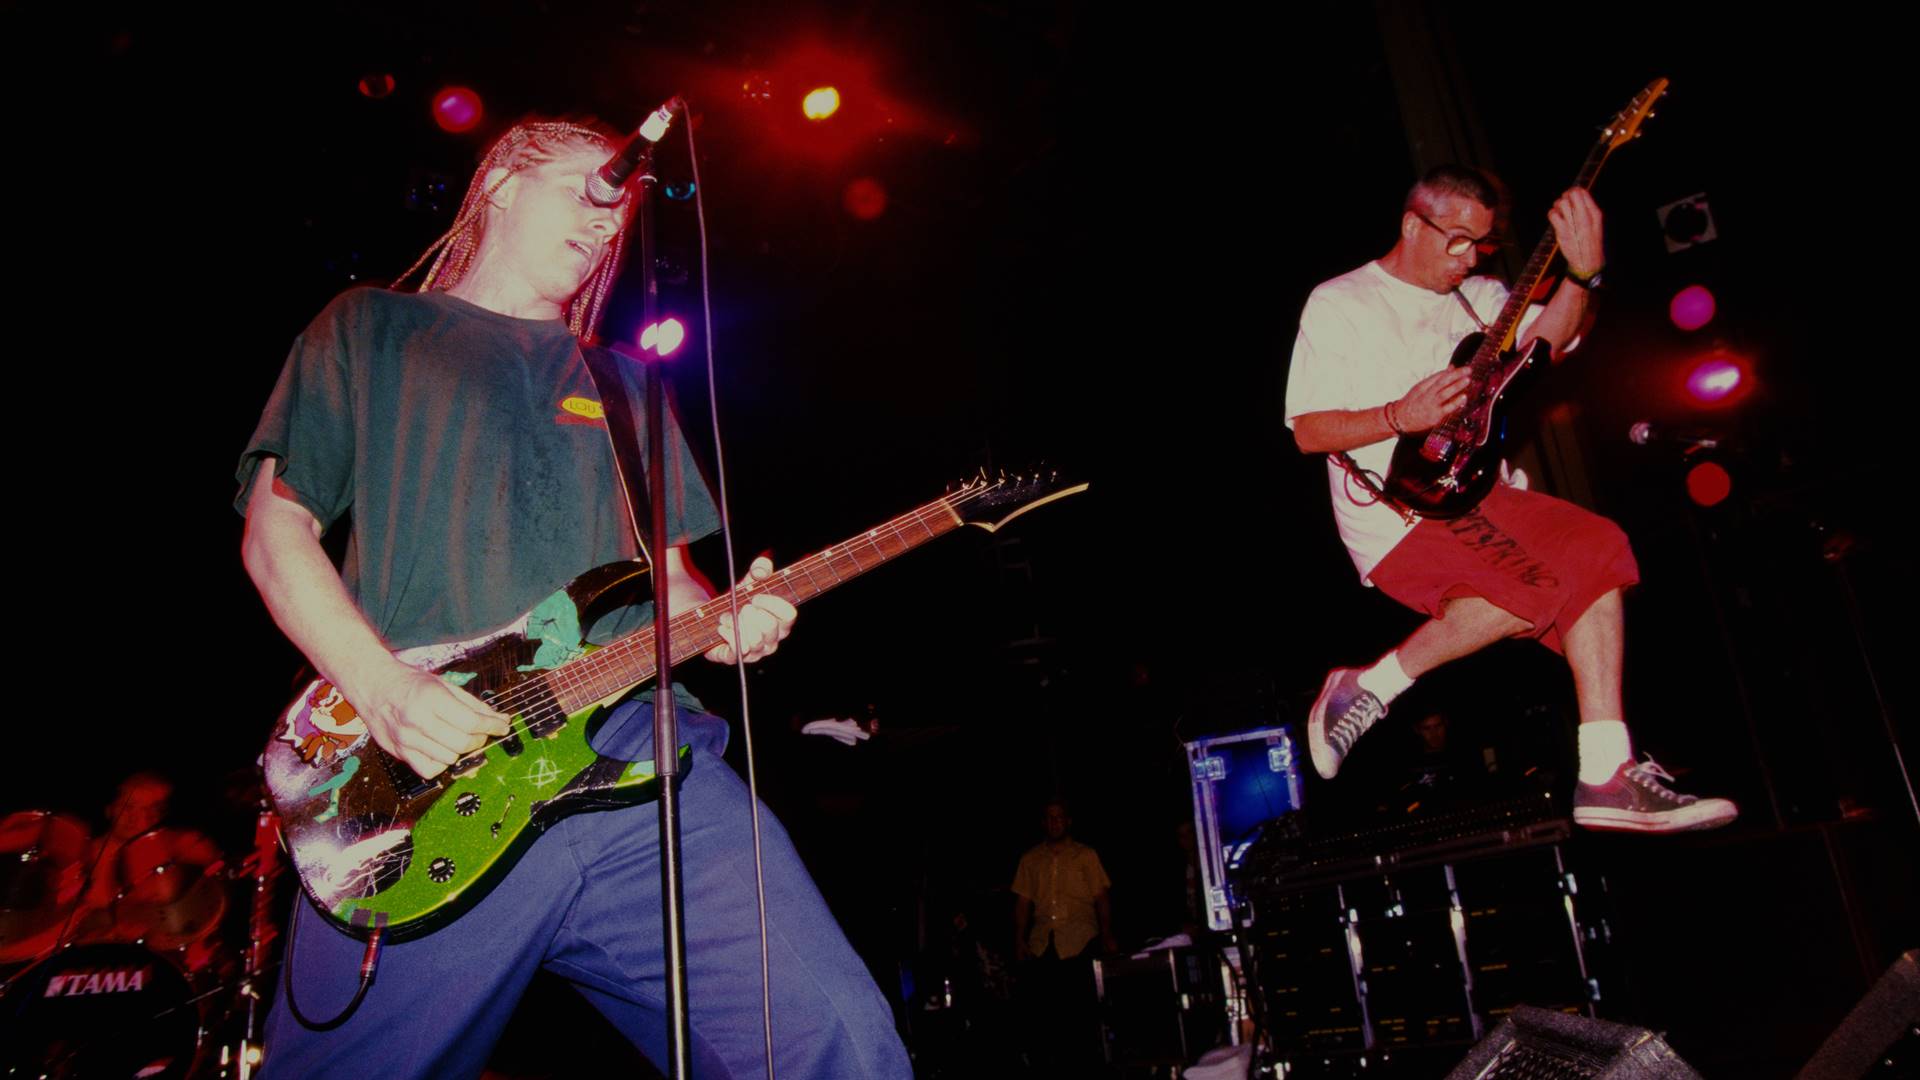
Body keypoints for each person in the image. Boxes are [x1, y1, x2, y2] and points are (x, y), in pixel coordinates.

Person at [237, 119, 910, 1078]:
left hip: (644, 765)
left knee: (840, 1042)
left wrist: (730, 625)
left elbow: (671, 581)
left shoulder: (628, 383)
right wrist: (383, 690)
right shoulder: (372, 329)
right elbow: (275, 531)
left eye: (621, 211)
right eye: (588, 192)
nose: (608, 224)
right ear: (504, 181)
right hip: (427, 777)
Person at [1284, 164, 1736, 834]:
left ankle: (1607, 773)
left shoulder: (1481, 296)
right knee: (1538, 585)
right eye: (1456, 241)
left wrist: (1582, 276)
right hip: (1398, 508)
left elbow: (1550, 342)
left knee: (1598, 547)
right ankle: (1371, 687)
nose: (1467, 258)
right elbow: (1309, 430)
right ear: (1413, 224)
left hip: (1483, 493)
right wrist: (1396, 415)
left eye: (1482, 244)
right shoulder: (1342, 301)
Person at [1010, 798, 1115, 1069]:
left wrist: (1106, 934)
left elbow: (1101, 897)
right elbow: (1023, 902)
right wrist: (1020, 939)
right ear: (1043, 823)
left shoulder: (1086, 855)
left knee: (1082, 1017)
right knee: (1046, 1019)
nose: (1055, 822)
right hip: (1043, 943)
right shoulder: (1030, 859)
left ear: (1068, 821)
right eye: (1049, 817)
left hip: (1080, 940)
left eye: (1060, 817)